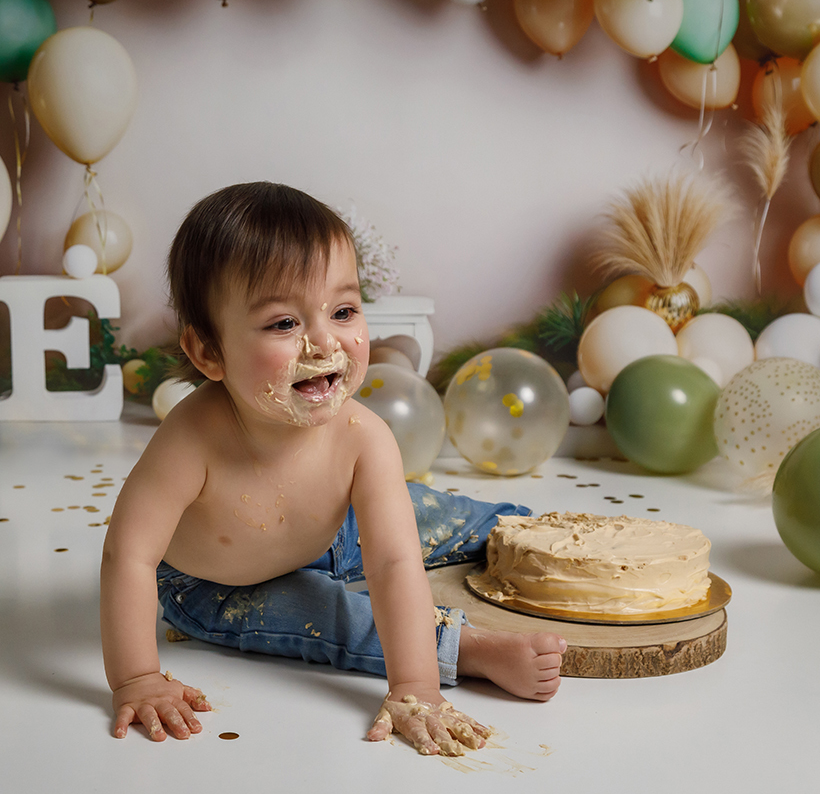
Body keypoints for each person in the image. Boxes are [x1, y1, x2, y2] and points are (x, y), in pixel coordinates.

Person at [100, 182, 566, 756]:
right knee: (325, 615)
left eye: (343, 311)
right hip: (216, 586)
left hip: (331, 530)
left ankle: (537, 533)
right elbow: (130, 554)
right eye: (283, 324)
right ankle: (464, 650)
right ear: (209, 353)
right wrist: (137, 676)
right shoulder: (191, 441)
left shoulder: (362, 436)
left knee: (430, 511)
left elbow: (394, 561)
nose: (324, 342)